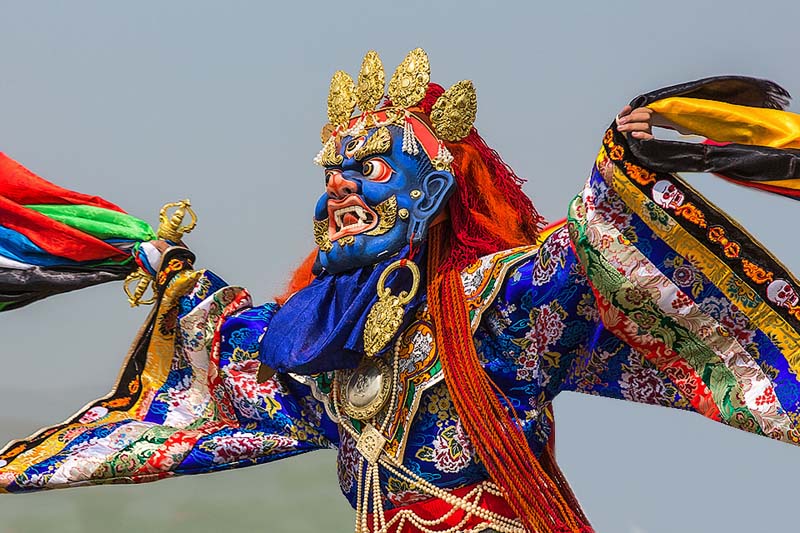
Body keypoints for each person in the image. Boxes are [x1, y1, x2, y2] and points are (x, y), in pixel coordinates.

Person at [3, 49, 800, 533]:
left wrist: (628, 156)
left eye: (372, 169)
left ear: (430, 195)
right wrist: (159, 261)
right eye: (333, 174)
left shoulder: (501, 301)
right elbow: (233, 342)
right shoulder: (322, 350)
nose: (342, 190)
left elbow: (590, 244)